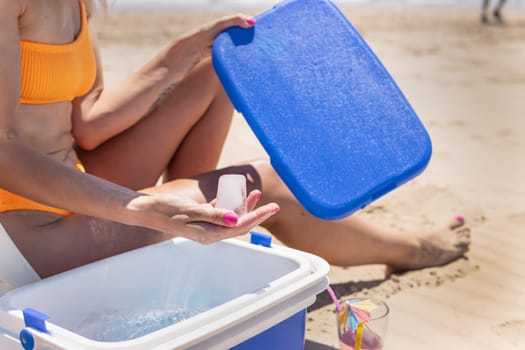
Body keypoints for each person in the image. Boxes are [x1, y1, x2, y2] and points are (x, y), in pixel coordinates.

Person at [0, 0, 470, 288]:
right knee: (265, 182)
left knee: (221, 66)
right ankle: (410, 249)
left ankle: (194, 223)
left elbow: (88, 123)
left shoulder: (78, 2)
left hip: (71, 180)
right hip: (24, 232)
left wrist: (181, 53)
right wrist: (138, 206)